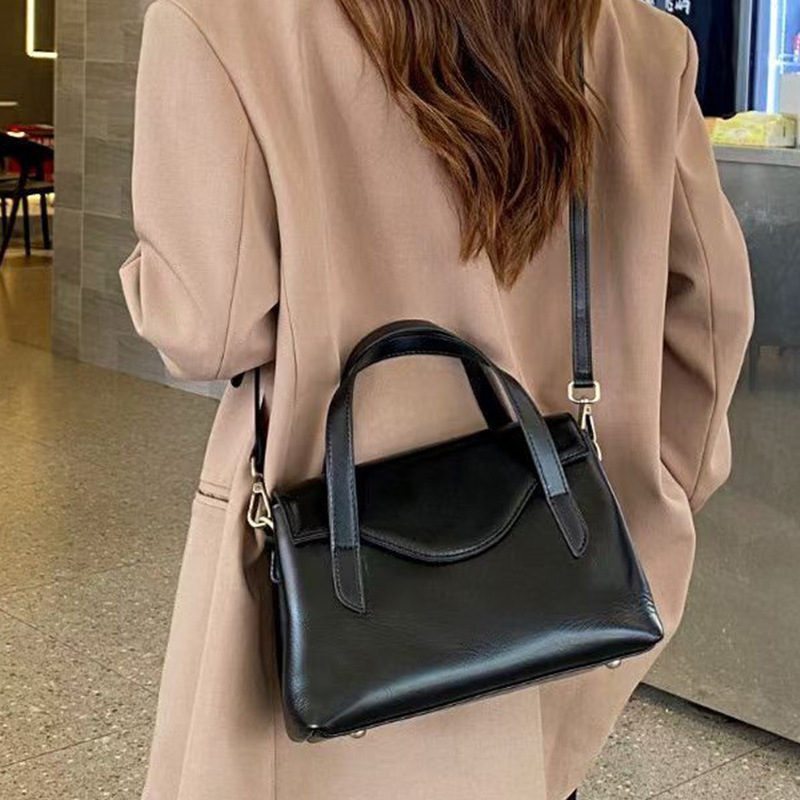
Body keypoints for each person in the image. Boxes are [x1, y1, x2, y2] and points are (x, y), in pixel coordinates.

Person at [120, 0, 753, 797]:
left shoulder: (222, 23)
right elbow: (712, 317)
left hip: (333, 595)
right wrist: (651, 501)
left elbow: (204, 332)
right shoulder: (641, 43)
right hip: (554, 576)